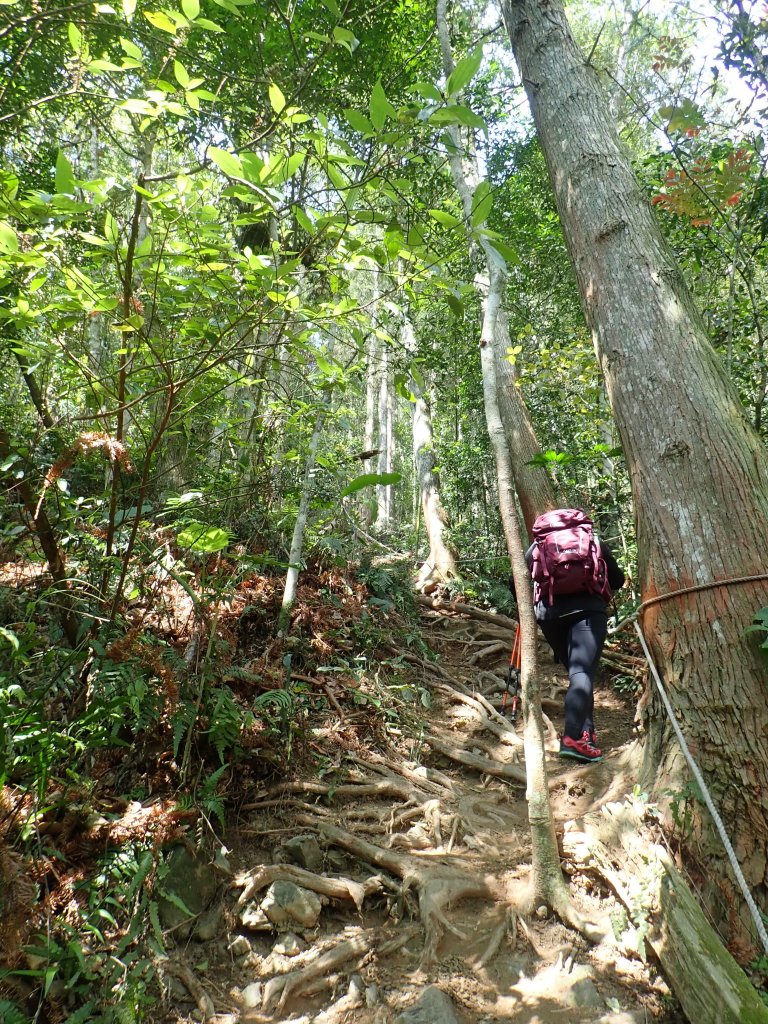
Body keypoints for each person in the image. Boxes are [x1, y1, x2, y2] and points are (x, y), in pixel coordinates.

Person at [525, 514, 625, 763]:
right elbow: (618, 579)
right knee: (582, 675)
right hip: (588, 612)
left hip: (550, 617)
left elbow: (517, 583)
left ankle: (585, 735)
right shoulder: (593, 541)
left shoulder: (536, 547)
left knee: (578, 675)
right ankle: (571, 738)